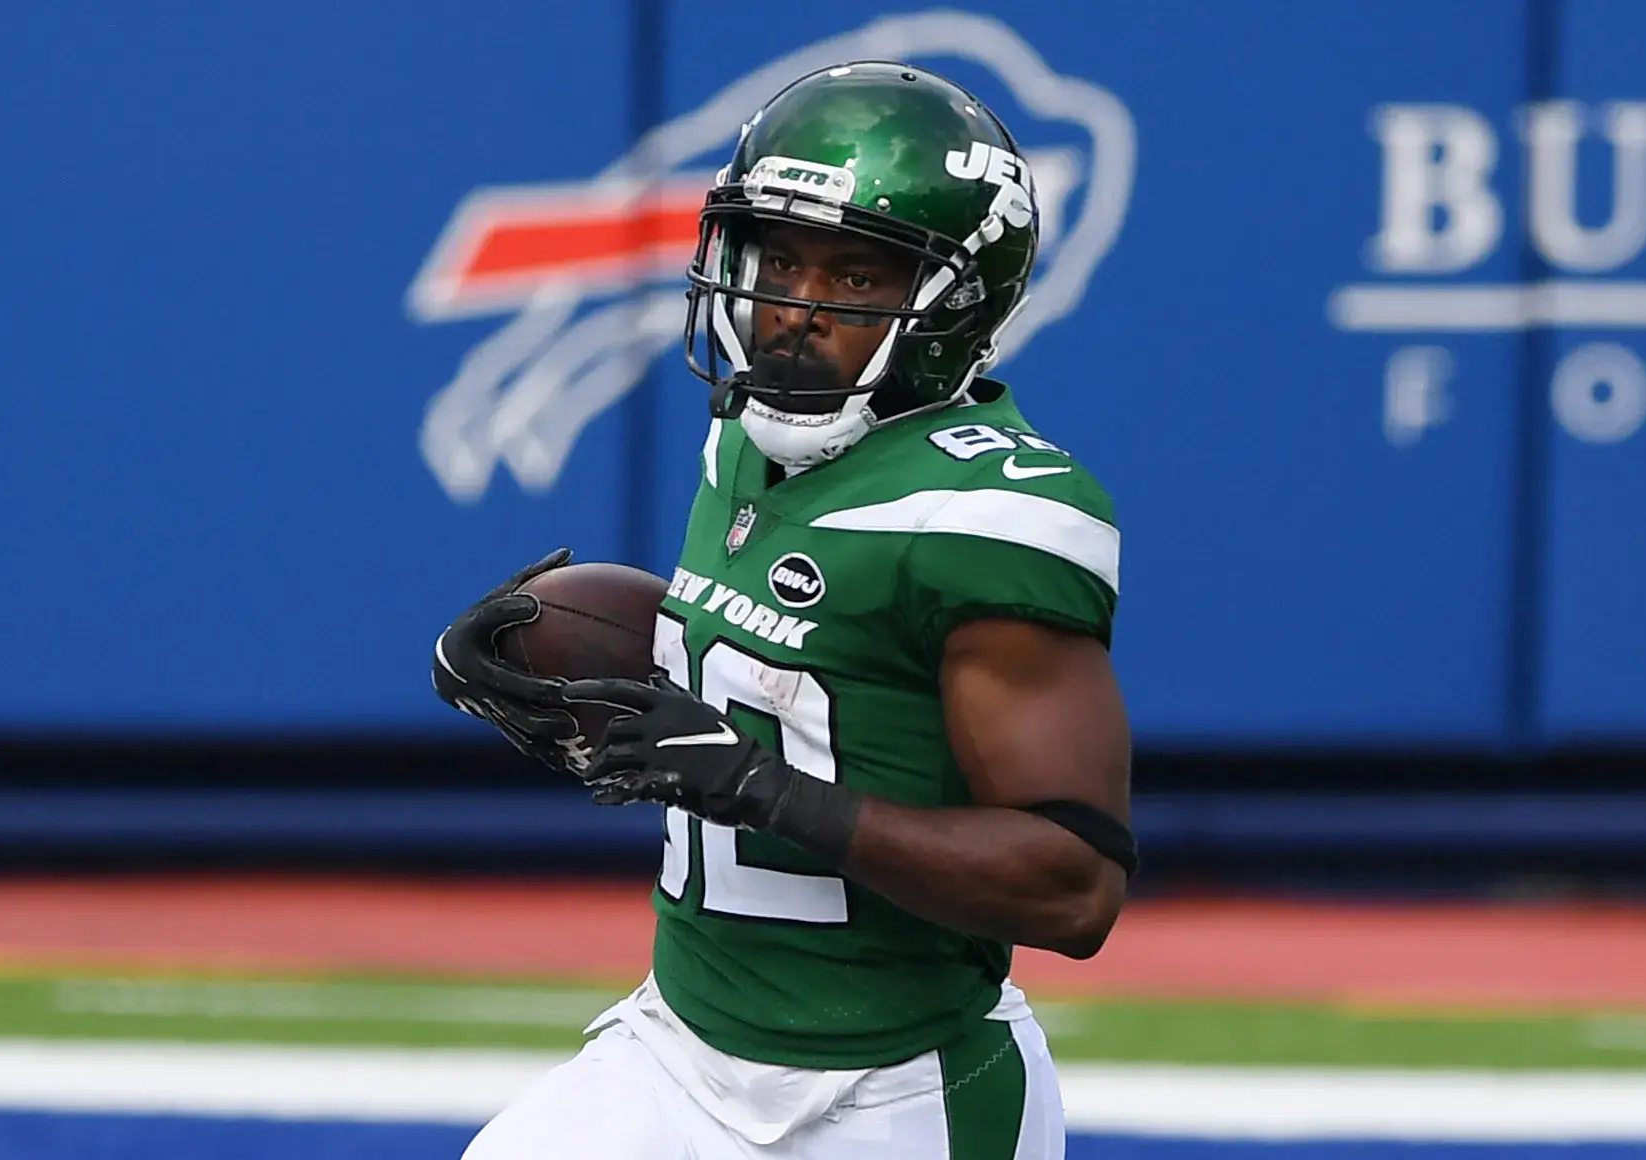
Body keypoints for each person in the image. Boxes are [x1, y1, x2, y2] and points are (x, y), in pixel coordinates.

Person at [432, 59, 1134, 1160]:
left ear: (956, 303)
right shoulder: (744, 437)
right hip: (676, 1049)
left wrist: (755, 784)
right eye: (779, 259)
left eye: (854, 277)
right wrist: (560, 646)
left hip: (892, 1092)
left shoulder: (991, 511)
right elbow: (799, 654)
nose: (793, 309)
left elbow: (1072, 883)